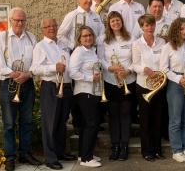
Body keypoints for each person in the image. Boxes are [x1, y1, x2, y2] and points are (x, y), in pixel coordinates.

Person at [0, 7, 41, 171]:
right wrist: (13, 74)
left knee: (27, 121)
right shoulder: (1, 37)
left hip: (26, 82)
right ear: (10, 20)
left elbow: (37, 60)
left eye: (22, 20)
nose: (20, 23)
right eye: (17, 20)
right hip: (9, 83)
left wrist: (28, 74)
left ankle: (25, 153)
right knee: (9, 123)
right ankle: (10, 157)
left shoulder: (31, 37)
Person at [30, 19, 75, 170]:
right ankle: (50, 158)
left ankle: (60, 152)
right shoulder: (40, 46)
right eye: (47, 26)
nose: (51, 28)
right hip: (51, 87)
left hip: (66, 86)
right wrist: (53, 67)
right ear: (42, 29)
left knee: (62, 121)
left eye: (54, 25)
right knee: (50, 123)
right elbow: (35, 69)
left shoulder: (63, 43)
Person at [100, 11, 135, 161]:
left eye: (118, 20)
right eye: (112, 21)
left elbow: (136, 60)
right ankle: (115, 146)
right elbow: (100, 59)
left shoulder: (131, 38)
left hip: (128, 81)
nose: (115, 23)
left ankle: (124, 146)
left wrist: (128, 70)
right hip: (111, 81)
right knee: (113, 115)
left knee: (126, 115)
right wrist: (110, 68)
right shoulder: (103, 40)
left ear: (122, 22)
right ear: (109, 23)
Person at [159, 18, 185, 163]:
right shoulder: (168, 47)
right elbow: (163, 69)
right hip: (175, 84)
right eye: (181, 29)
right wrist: (178, 79)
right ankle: (176, 150)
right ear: (175, 30)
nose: (184, 31)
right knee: (175, 119)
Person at [131, 14, 167, 161]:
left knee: (158, 119)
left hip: (159, 85)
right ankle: (147, 151)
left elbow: (165, 63)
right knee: (145, 120)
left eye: (151, 25)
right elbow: (134, 64)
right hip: (143, 85)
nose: (149, 27)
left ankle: (157, 150)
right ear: (142, 27)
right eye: (146, 25)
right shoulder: (137, 44)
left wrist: (160, 74)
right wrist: (144, 69)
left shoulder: (162, 42)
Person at [68, 26, 102, 168]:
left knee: (86, 125)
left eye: (90, 35)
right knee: (91, 124)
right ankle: (86, 159)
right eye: (84, 36)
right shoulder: (78, 52)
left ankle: (84, 154)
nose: (88, 38)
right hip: (83, 92)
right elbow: (72, 72)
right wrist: (90, 78)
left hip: (92, 92)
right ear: (79, 39)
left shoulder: (92, 51)